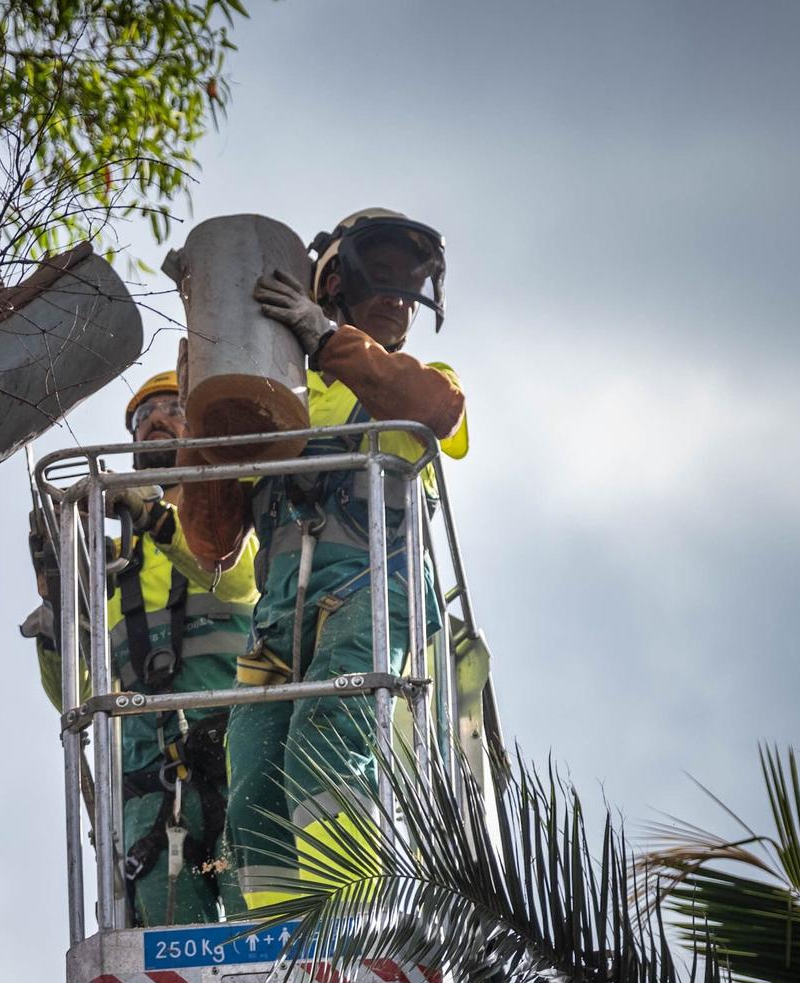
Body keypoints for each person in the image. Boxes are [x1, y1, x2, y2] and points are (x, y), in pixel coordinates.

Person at [198, 209, 469, 910]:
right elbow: (212, 542)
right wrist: (211, 408)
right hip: (281, 626)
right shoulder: (278, 399)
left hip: (375, 590)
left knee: (327, 740)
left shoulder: (417, 377)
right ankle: (283, 944)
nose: (399, 298)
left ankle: (350, 914)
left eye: (411, 287)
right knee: (255, 778)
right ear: (336, 279)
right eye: (381, 276)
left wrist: (325, 339)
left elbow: (434, 409)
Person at [24, 372, 260, 925]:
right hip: (150, 788)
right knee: (168, 934)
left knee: (266, 934)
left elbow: (240, 579)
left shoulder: (229, 523)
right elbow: (80, 699)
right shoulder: (109, 570)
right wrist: (59, 623)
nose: (153, 419)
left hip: (237, 763)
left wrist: (154, 519)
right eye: (140, 416)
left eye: (172, 408)